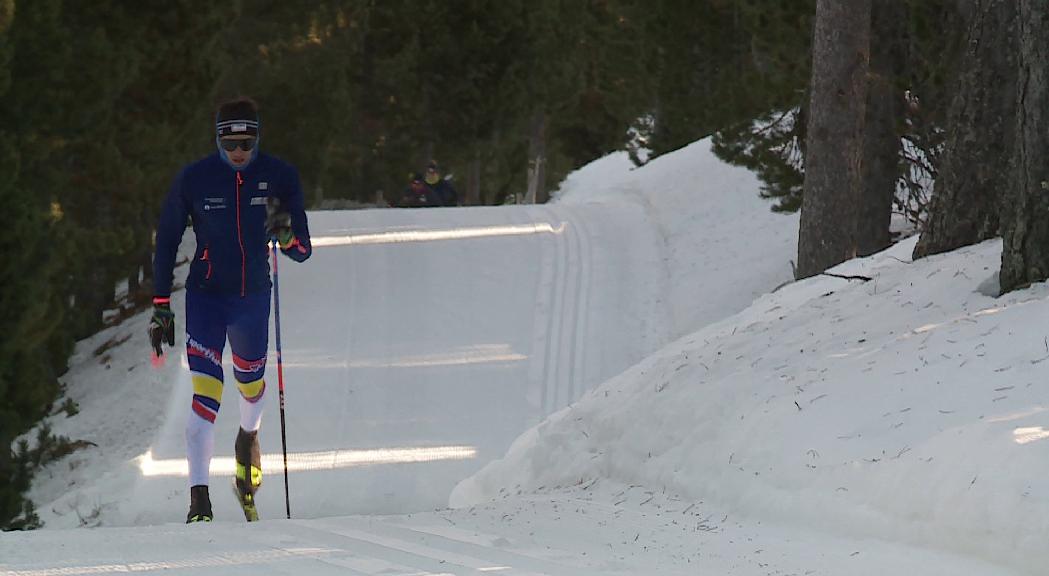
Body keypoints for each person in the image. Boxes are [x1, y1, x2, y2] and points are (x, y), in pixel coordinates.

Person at [149, 97, 312, 523]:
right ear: (217, 138)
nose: (239, 152)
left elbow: (302, 251)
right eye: (230, 142)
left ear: (258, 137)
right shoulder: (196, 178)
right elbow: (167, 239)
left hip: (253, 298)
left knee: (250, 384)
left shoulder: (279, 176)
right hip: (206, 296)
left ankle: (248, 437)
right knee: (206, 393)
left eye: (247, 142)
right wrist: (160, 303)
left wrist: (288, 234)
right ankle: (199, 500)